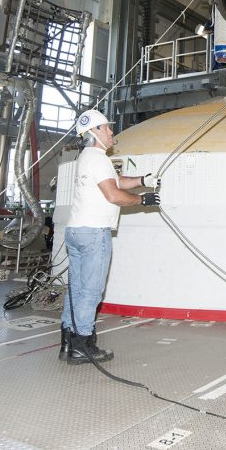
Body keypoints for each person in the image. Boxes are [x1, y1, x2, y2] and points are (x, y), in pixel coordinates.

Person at [56, 109, 160, 365]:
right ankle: (83, 345)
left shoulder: (87, 157)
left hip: (77, 231)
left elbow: (116, 181)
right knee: (91, 293)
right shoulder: (99, 159)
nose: (111, 131)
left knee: (77, 290)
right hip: (94, 234)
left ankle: (68, 342)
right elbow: (113, 195)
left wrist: (143, 179)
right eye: (106, 127)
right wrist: (143, 200)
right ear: (94, 133)